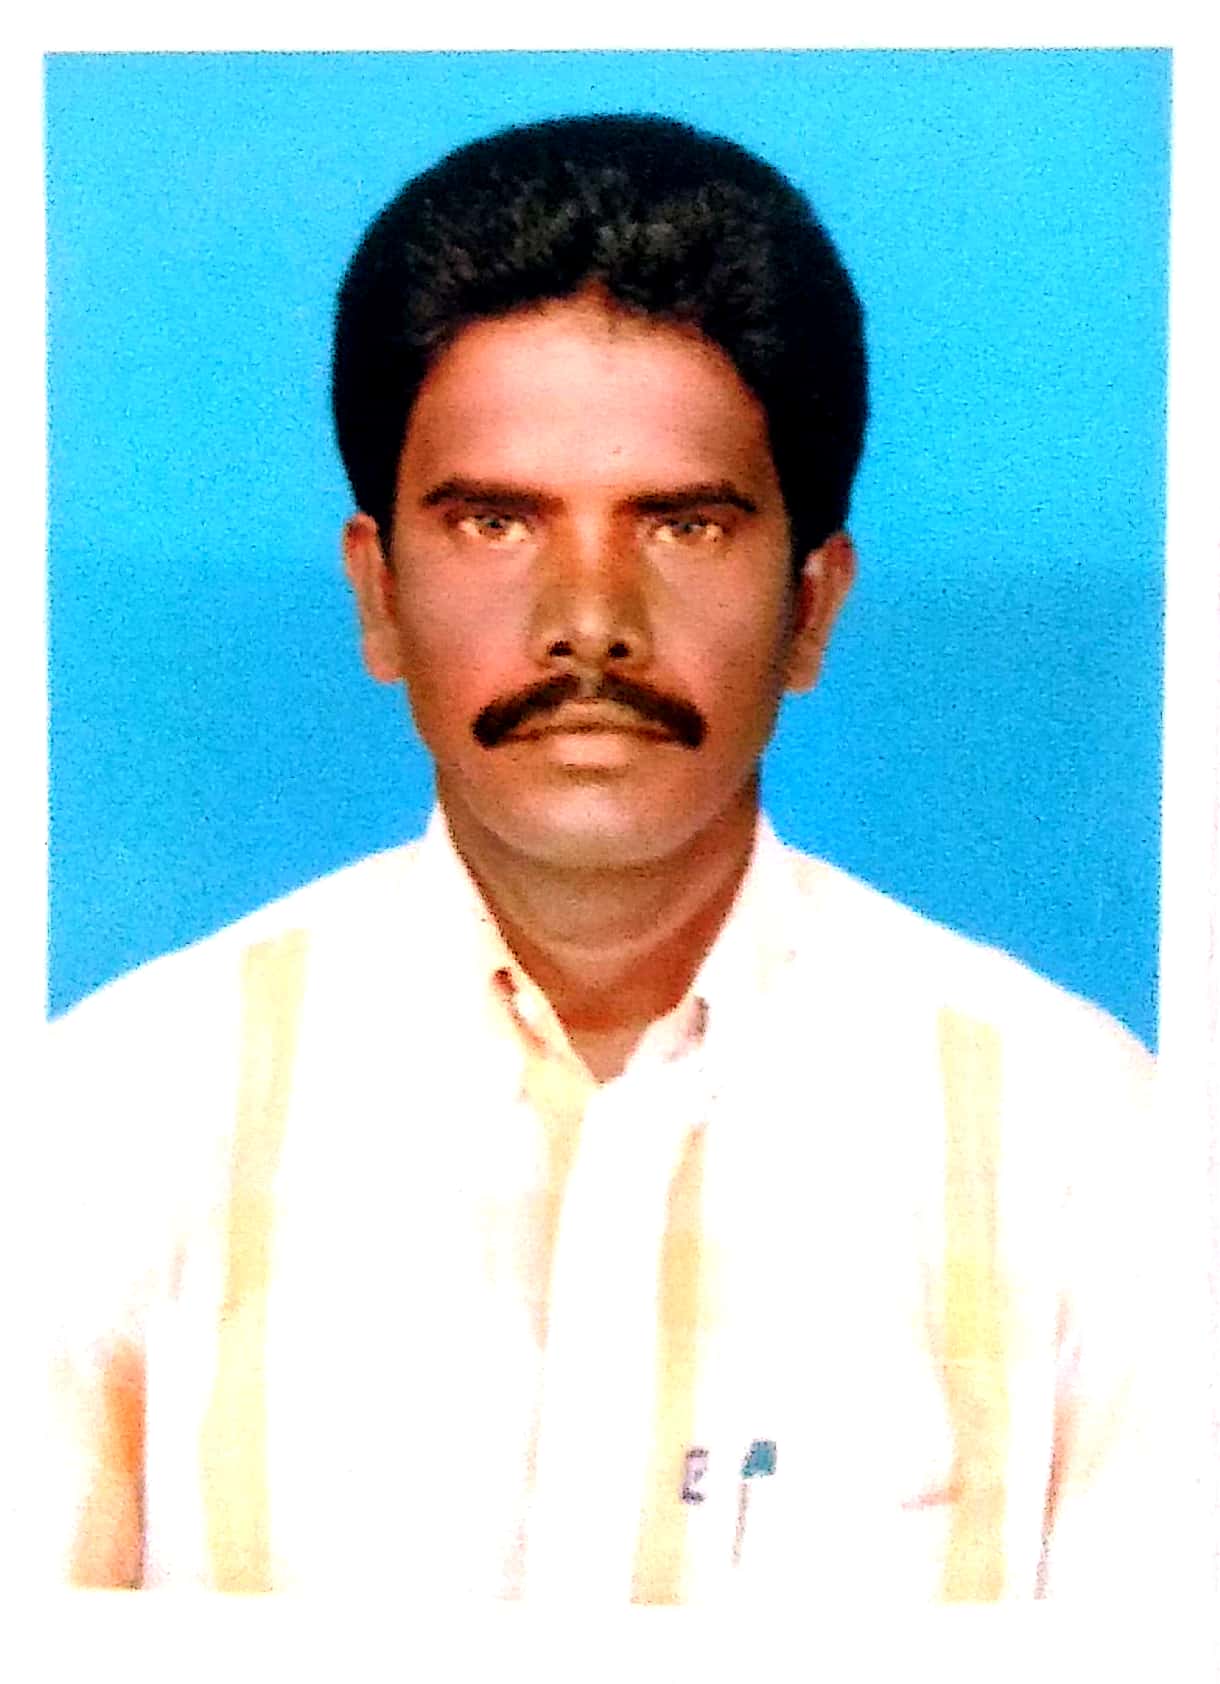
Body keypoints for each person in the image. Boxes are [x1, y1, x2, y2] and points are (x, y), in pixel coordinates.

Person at [21, 112, 1208, 1603]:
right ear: (378, 595)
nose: (592, 622)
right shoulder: (103, 1125)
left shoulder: (1090, 1149)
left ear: (813, 605)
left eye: (684, 525)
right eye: (497, 522)